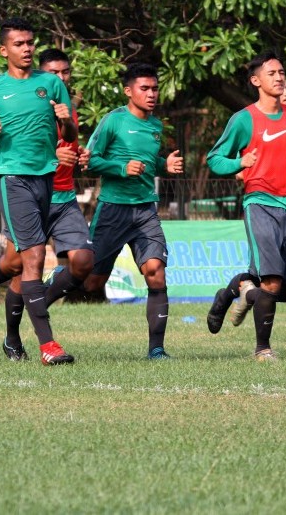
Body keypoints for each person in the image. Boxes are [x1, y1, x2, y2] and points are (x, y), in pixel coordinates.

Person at [0, 18, 78, 365]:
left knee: (14, 261)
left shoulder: (50, 83)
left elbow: (71, 133)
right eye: (19, 44)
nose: (27, 49)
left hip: (46, 177)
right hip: (11, 177)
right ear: (3, 49)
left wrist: (66, 120)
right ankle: (48, 346)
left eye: (30, 43)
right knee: (34, 257)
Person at [207, 51, 286, 361]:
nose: (279, 77)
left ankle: (243, 291)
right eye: (272, 73)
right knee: (272, 280)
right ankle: (263, 348)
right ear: (256, 80)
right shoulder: (244, 119)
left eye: (281, 72)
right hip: (260, 203)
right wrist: (240, 161)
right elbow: (214, 159)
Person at [81, 63, 184, 360]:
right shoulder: (113, 121)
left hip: (145, 211)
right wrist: (120, 168)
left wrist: (164, 164)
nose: (152, 94)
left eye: (155, 88)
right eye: (145, 88)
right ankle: (46, 291)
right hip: (113, 209)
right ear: (128, 91)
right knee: (91, 282)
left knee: (156, 273)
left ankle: (157, 349)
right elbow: (89, 160)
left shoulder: (156, 126)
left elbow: (146, 160)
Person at [1, 49, 94, 361]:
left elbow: (71, 142)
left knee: (82, 261)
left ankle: (40, 305)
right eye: (54, 72)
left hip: (64, 197)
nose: (61, 78)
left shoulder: (67, 109)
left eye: (66, 72)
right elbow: (23, 150)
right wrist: (55, 156)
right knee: (19, 268)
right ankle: (13, 338)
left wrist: (80, 156)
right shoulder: (28, 103)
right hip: (29, 194)